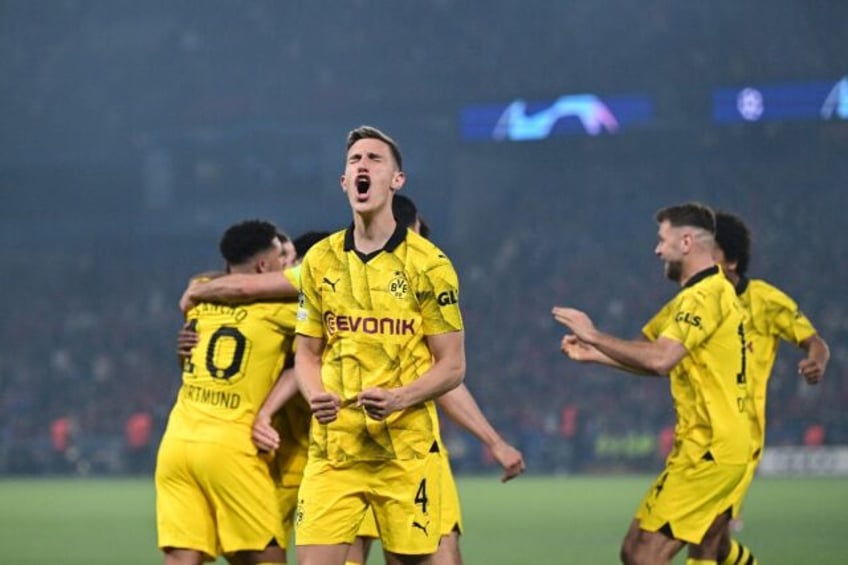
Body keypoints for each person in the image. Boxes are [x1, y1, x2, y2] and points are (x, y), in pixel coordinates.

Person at [293, 125, 466, 565]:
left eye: (374, 159)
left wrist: (398, 399)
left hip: (405, 452)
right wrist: (315, 393)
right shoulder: (319, 260)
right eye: (354, 161)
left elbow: (452, 367)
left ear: (397, 180)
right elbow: (307, 353)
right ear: (344, 182)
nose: (362, 166)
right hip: (335, 451)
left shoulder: (430, 265)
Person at [553, 202, 752, 565]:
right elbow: (651, 353)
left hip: (711, 448)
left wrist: (595, 335)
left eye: (663, 240)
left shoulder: (705, 296)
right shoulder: (699, 296)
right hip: (709, 446)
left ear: (687, 242)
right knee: (646, 551)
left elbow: (661, 359)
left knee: (645, 554)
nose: (657, 249)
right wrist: (596, 353)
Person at [347, 194, 525, 565]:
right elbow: (445, 376)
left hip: (348, 448)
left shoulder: (334, 270)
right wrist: (494, 441)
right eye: (420, 233)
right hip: (402, 447)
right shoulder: (420, 279)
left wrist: (206, 290)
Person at [690, 211, 829, 565]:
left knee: (704, 536)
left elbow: (814, 341)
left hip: (740, 435)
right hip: (698, 433)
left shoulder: (764, 300)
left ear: (732, 260)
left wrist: (816, 360)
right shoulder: (696, 301)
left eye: (712, 252)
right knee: (717, 544)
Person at [156, 219, 289, 564]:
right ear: (264, 266)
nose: (286, 266)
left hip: (177, 443)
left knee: (182, 557)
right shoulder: (282, 308)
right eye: (280, 259)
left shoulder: (200, 289)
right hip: (231, 444)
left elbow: (204, 283)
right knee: (266, 557)